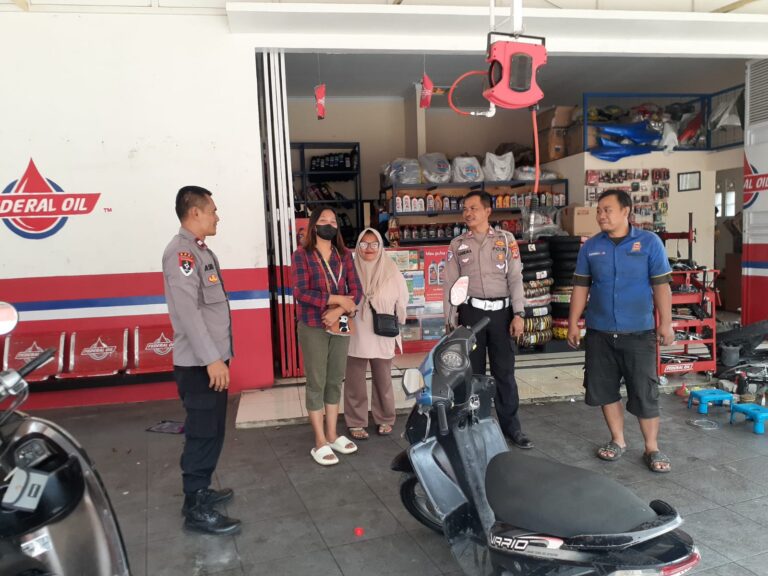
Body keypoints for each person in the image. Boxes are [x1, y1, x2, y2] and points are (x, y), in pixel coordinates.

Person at [567, 189, 674, 473]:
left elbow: (661, 286)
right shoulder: (590, 247)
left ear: (626, 211)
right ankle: (618, 440)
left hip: (639, 332)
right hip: (600, 332)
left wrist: (666, 322)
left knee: (644, 391)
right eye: (599, 210)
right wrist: (574, 322)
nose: (601, 215)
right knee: (605, 389)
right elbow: (581, 287)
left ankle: (652, 447)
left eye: (607, 209)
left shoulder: (649, 243)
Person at [162, 185, 240, 535]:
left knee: (213, 430)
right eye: (212, 210)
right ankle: (195, 508)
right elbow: (188, 313)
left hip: (210, 361)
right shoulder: (181, 253)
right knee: (202, 432)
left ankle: (201, 489)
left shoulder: (199, 251)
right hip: (199, 365)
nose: (217, 216)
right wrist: (212, 360)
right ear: (194, 212)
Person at [444, 190, 532, 449]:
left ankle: (512, 428)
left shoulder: (505, 240)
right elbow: (450, 283)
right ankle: (475, 426)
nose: (468, 213)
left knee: (504, 372)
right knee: (473, 374)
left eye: (473, 208)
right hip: (471, 314)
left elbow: (515, 278)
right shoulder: (458, 244)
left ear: (487, 211)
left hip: (502, 315)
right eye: (465, 209)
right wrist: (450, 319)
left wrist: (519, 313)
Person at [291, 206, 363, 466]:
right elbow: (300, 292)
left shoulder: (344, 255)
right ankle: (319, 441)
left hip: (340, 322)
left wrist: (339, 310)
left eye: (333, 221)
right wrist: (337, 300)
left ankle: (332, 434)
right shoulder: (302, 255)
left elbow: (357, 291)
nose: (329, 224)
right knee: (317, 382)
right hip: (313, 325)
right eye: (323, 220)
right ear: (314, 225)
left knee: (334, 379)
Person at [344, 228, 409, 440]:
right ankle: (356, 421)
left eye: (374, 244)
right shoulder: (350, 270)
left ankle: (385, 418)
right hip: (355, 332)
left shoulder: (391, 270)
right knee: (354, 381)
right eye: (364, 244)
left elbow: (402, 299)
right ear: (357, 247)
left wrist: (399, 318)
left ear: (381, 246)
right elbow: (342, 299)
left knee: (383, 379)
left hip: (383, 331)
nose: (369, 249)